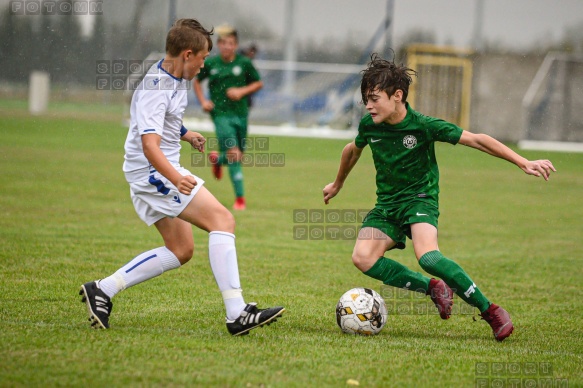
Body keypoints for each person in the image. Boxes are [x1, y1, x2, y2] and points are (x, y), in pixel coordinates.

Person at [323, 53, 556, 341]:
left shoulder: (423, 125)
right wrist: (337, 183)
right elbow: (351, 151)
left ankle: (490, 310)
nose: (368, 106)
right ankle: (433, 288)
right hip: (387, 206)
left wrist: (523, 162)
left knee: (429, 257)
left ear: (397, 95)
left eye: (374, 98)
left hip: (420, 199)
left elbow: (477, 139)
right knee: (362, 258)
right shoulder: (369, 126)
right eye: (366, 99)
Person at [79, 18, 284, 336]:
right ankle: (236, 313)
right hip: (153, 174)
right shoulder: (155, 87)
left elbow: (164, 122)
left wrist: (187, 135)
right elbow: (149, 145)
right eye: (202, 58)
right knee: (223, 220)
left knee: (181, 249)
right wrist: (175, 177)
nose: (204, 65)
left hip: (154, 173)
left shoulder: (176, 77)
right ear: (187, 54)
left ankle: (103, 289)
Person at [193, 25, 263, 211]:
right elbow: (197, 81)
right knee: (234, 154)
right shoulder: (211, 64)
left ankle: (217, 159)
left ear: (236, 45)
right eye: (223, 43)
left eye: (231, 43)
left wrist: (242, 91)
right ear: (219, 45)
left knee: (238, 155)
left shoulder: (244, 63)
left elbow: (258, 83)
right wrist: (203, 102)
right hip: (220, 115)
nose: (227, 47)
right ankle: (240, 199)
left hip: (240, 115)